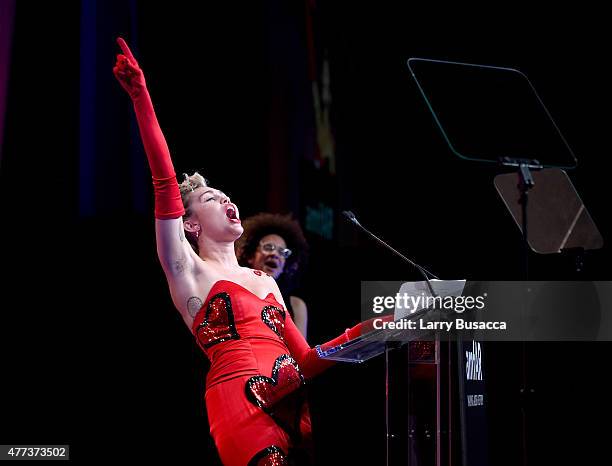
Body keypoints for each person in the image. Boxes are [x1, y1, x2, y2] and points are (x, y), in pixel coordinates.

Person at [113, 38, 368, 466]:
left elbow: (303, 359)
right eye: (212, 198)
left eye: (227, 195)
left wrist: (365, 334)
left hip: (295, 407)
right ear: (189, 223)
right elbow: (163, 182)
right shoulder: (187, 269)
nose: (227, 200)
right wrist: (141, 97)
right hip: (240, 404)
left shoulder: (266, 282)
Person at [237, 213, 309, 338]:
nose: (275, 254)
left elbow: (302, 354)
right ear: (250, 256)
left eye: (282, 252)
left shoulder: (296, 305)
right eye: (268, 247)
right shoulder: (235, 292)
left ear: (285, 266)